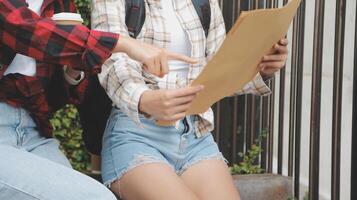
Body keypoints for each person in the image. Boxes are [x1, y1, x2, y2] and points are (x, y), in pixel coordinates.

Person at [0, 0, 198, 199]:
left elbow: (53, 96)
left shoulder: (61, 5)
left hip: (33, 132)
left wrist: (74, 69)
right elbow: (24, 30)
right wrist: (123, 43)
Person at [92, 0, 288, 199]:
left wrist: (260, 69)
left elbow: (218, 71)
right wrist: (145, 99)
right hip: (137, 133)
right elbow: (111, 58)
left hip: (195, 135)